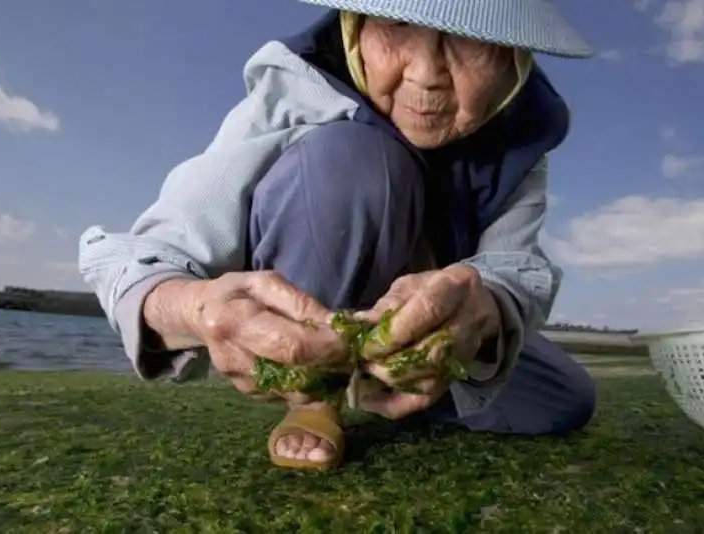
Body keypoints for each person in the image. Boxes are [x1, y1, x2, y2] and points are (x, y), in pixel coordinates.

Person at [78, 0, 597, 470]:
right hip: (311, 297)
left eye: (472, 40)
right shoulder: (294, 89)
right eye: (396, 25)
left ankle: (394, 385)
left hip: (419, 330)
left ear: (514, 60)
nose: (426, 74)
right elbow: (149, 255)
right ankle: (315, 398)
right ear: (355, 28)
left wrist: (483, 310)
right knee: (355, 159)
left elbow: (512, 263)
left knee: (564, 399)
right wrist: (194, 308)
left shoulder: (522, 134)